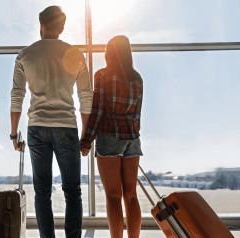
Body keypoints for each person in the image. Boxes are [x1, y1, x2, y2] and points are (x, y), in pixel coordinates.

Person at [10, 6, 92, 238]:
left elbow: (17, 95)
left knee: (42, 192)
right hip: (66, 127)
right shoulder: (76, 54)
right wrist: (85, 134)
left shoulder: (25, 55)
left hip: (37, 127)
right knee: (72, 191)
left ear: (41, 25)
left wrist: (14, 133)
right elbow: (86, 96)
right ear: (62, 28)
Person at [80, 35, 143, 238]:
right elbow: (137, 115)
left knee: (113, 196)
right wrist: (131, 136)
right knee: (131, 196)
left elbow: (97, 112)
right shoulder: (137, 78)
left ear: (110, 53)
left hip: (109, 137)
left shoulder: (103, 75)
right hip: (132, 139)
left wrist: (87, 140)